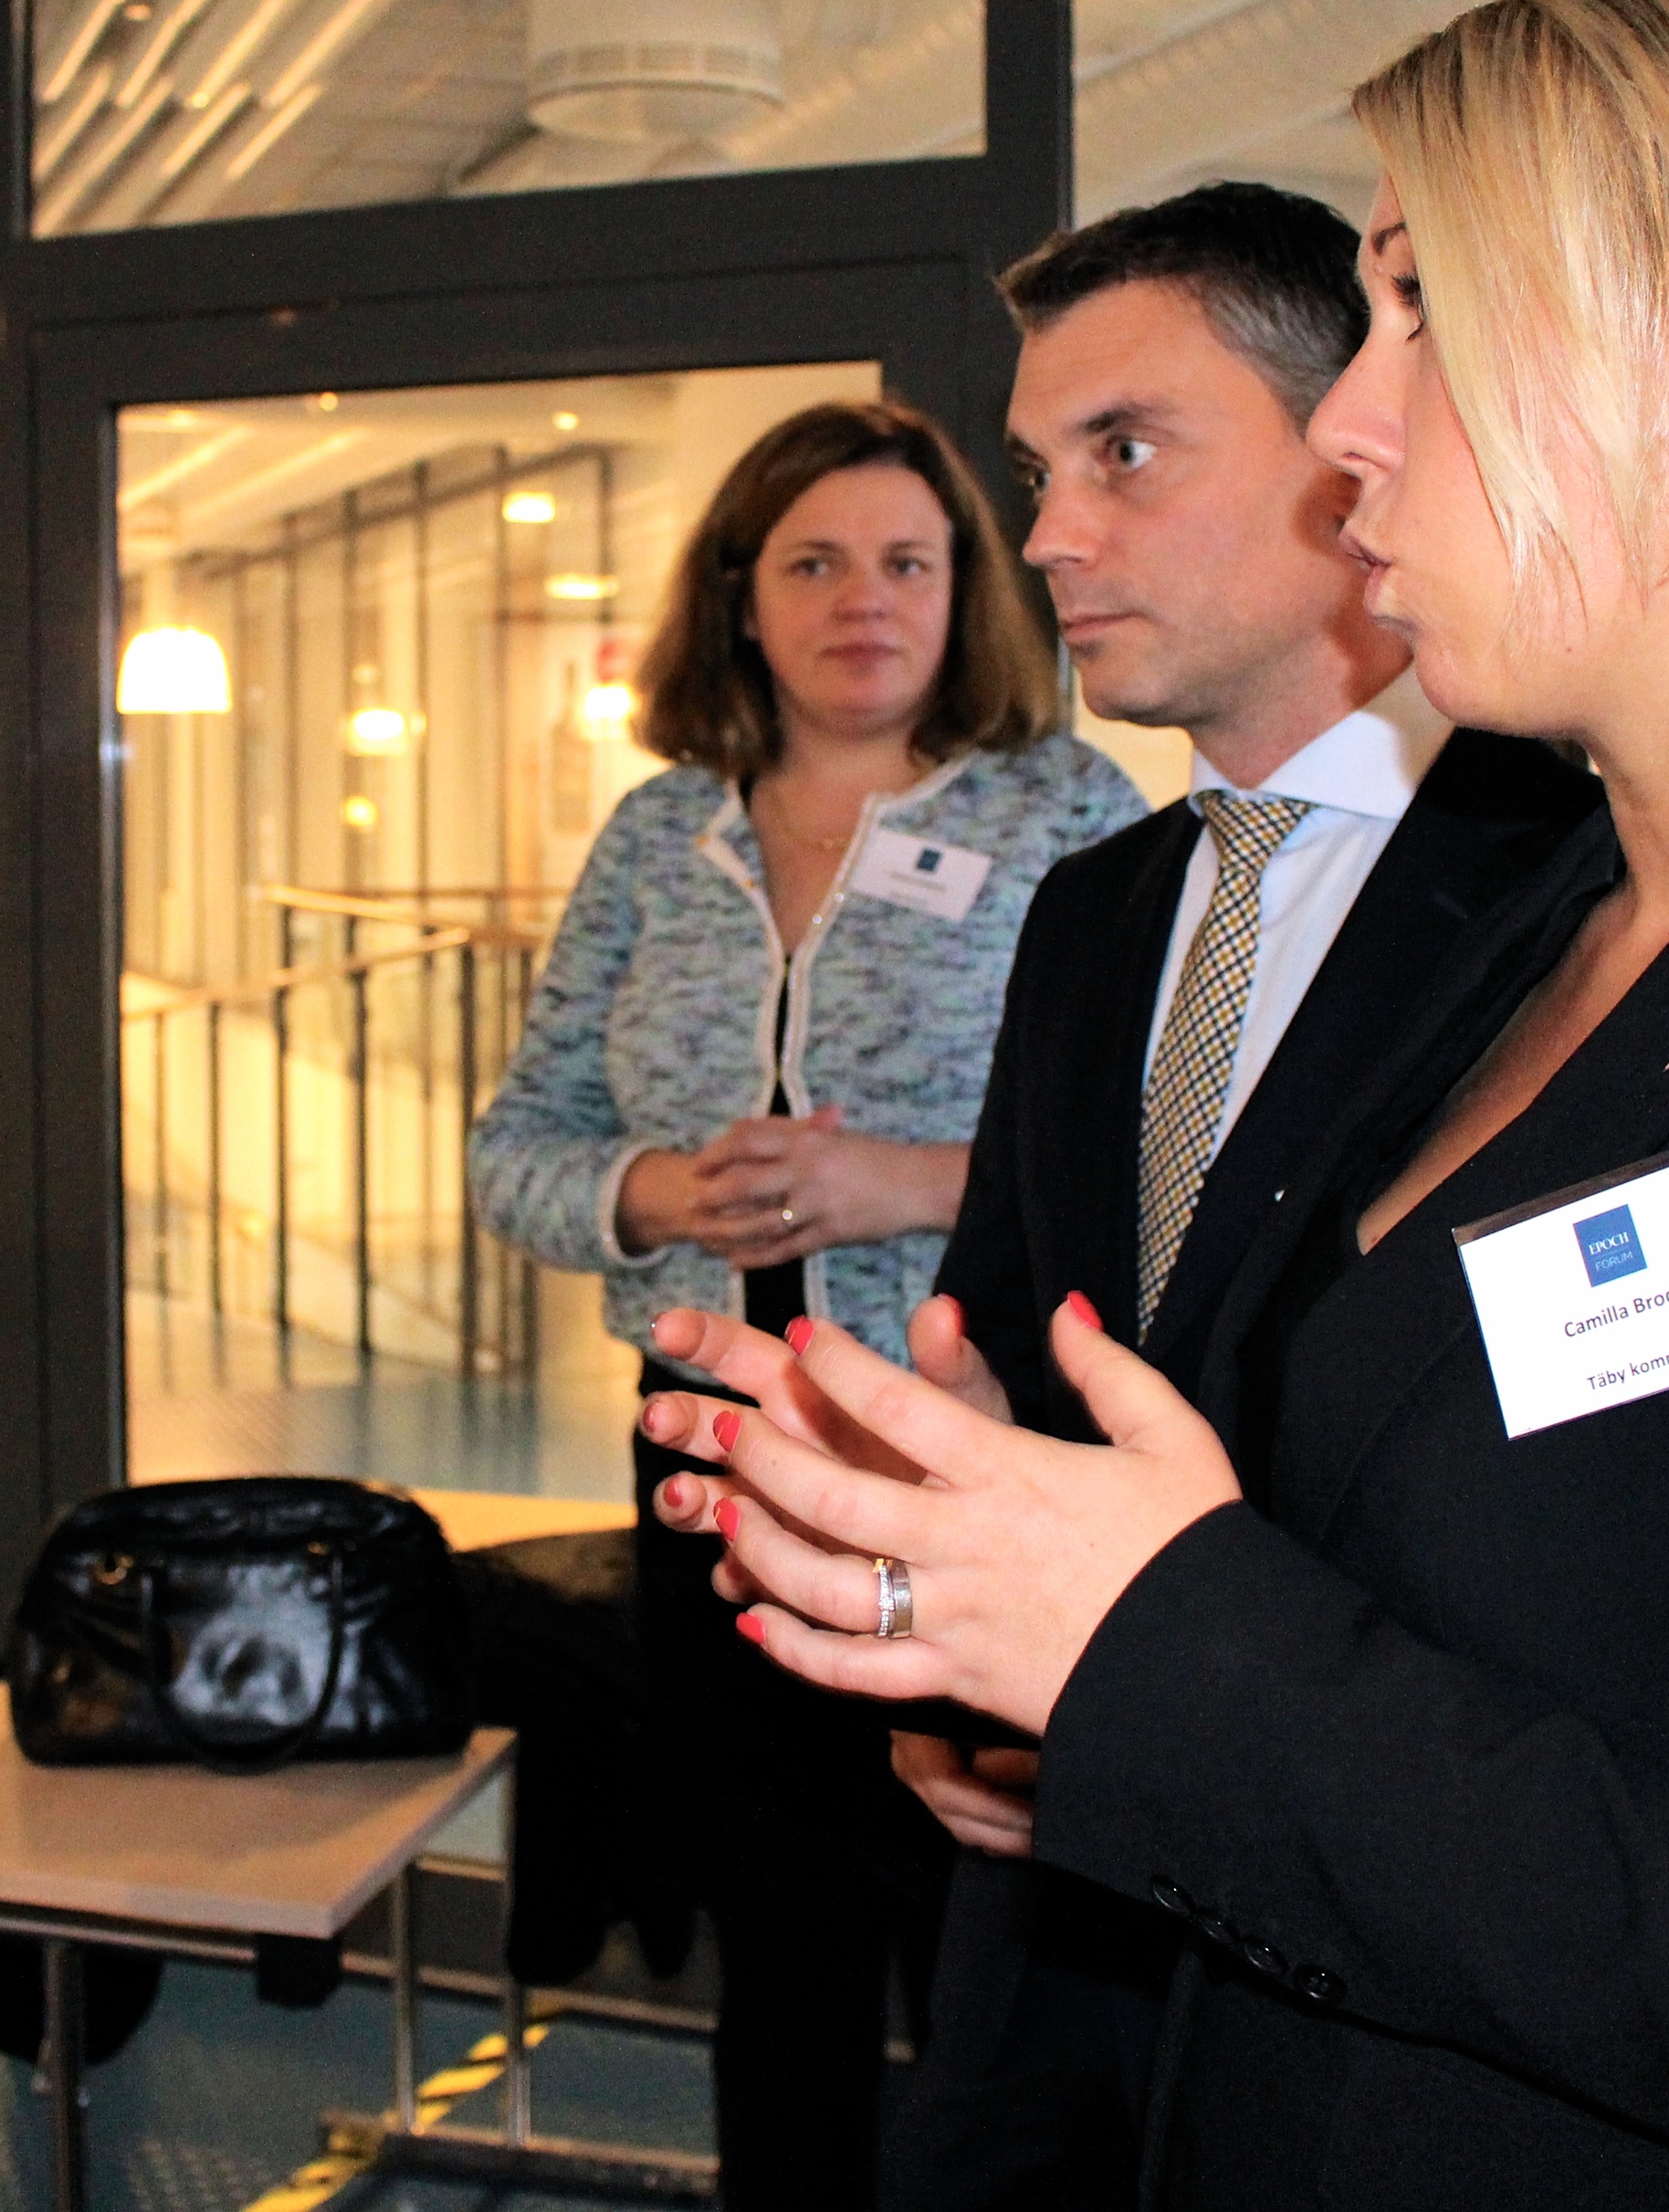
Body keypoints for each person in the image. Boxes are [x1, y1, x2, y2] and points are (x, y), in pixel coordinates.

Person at [639, 0, 1669, 2210]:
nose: (1345, 423)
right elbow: (1463, 1637)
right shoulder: (1517, 944)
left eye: (1424, 307)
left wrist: (1161, 1643)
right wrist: (1040, 1578)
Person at [884, 185, 1595, 2208]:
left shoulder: (1584, 894)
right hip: (1059, 1929)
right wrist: (934, 1627)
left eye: (1126, 452)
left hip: (1406, 1965)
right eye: (1040, 469)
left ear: (1356, 443)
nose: (1046, 537)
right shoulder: (1097, 911)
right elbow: (1023, 1344)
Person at [467, 397, 1140, 2207]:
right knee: (781, 1943)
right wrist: (646, 1191)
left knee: (987, 1941)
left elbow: (1148, 1138)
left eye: (909, 560)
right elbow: (515, 1144)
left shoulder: (1060, 810)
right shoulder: (654, 837)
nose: (868, 599)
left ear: (964, 589)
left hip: (961, 1459)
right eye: (817, 561)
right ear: (739, 599)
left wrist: (902, 1183)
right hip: (713, 1468)